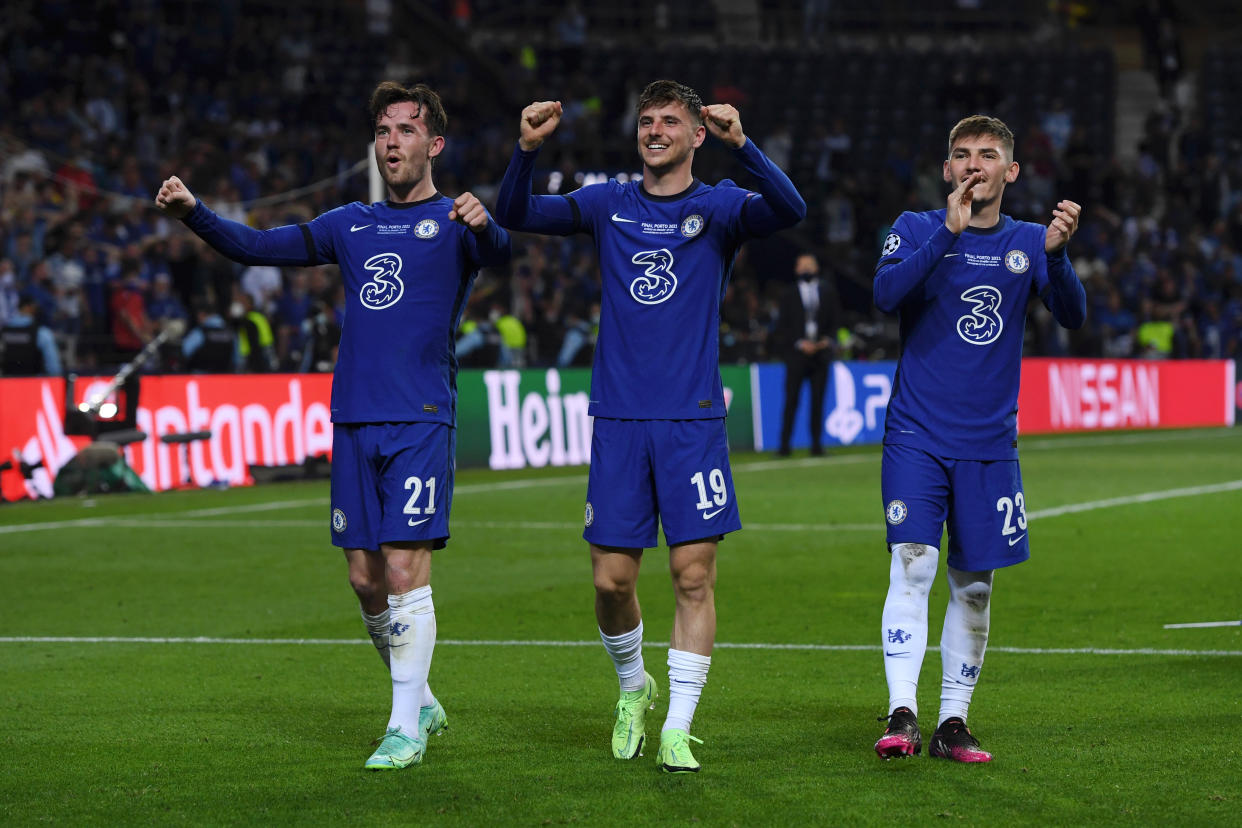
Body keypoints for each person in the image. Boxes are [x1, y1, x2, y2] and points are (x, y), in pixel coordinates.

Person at [155, 81, 511, 771]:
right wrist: (195, 213)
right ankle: (423, 700)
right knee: (363, 579)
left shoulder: (457, 222)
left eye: (406, 130)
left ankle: (403, 728)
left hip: (420, 416)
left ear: (434, 144)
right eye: (383, 130)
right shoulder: (350, 223)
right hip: (353, 416)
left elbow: (499, 250)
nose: (391, 142)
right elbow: (259, 246)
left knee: (406, 568)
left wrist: (486, 221)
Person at [495, 80, 805, 774]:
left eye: (669, 121)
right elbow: (514, 212)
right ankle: (634, 689)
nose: (654, 130)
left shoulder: (719, 207)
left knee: (693, 575)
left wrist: (744, 147)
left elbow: (791, 208)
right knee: (610, 580)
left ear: (697, 134)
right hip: (619, 416)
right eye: (646, 120)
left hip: (691, 419)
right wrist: (525, 150)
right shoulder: (608, 203)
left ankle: (679, 727)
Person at [871, 115, 1085, 763]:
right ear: (946, 170)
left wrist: (1059, 256)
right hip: (916, 434)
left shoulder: (1027, 241)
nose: (973, 165)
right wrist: (947, 233)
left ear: (1010, 172)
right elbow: (884, 295)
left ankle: (952, 723)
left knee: (975, 587)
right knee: (912, 564)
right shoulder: (914, 228)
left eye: (987, 155)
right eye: (961, 154)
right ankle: (902, 713)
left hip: (989, 446)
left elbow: (1073, 315)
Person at [775, 252, 838, 456]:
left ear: (817, 268)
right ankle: (784, 446)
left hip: (820, 355)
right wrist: (799, 343)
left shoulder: (828, 292)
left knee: (818, 401)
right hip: (796, 355)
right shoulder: (788, 294)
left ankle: (817, 446)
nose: (806, 269)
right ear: (796, 269)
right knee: (791, 400)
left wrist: (826, 341)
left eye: (809, 265)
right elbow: (782, 325)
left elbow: (836, 320)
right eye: (802, 266)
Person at [1, 292, 62, 376]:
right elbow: (54, 368)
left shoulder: (3, 332)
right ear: (28, 307)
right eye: (35, 306)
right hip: (33, 384)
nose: (36, 309)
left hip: (6, 384)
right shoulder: (42, 333)